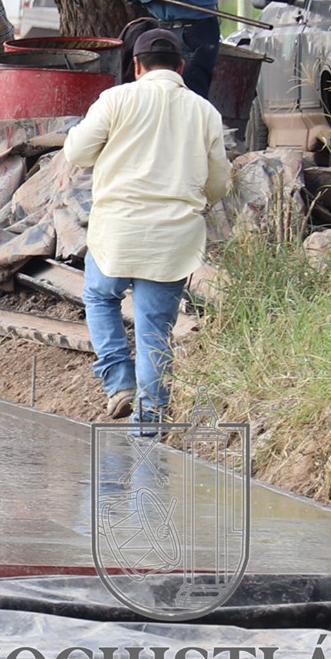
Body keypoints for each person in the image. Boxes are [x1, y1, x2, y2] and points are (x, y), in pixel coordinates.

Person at [64, 28, 232, 427]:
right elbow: (219, 181)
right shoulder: (204, 111)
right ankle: (151, 414)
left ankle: (119, 382)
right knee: (155, 326)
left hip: (117, 233)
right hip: (174, 238)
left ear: (136, 66)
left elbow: (77, 151)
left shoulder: (116, 99)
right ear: (181, 67)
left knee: (100, 296)